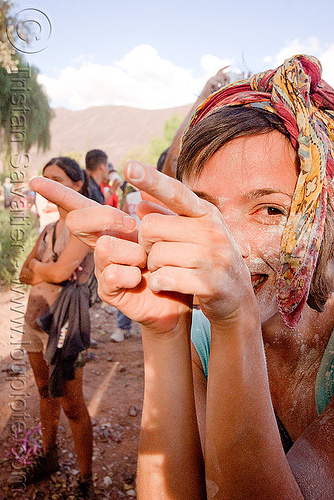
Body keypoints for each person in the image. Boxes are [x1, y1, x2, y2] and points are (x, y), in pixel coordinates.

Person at [30, 54, 334, 499]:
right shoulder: (205, 339)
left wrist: (236, 321)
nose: (227, 243)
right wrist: (165, 330)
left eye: (271, 209)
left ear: (322, 220)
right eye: (205, 209)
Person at [17, 157, 95, 499]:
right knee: (43, 390)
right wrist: (44, 268)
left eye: (57, 179)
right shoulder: (48, 230)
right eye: (44, 178)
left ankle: (85, 480)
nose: (47, 185)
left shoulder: (85, 228)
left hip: (65, 324)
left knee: (72, 404)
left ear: (77, 185)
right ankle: (49, 457)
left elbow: (61, 273)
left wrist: (41, 267)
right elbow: (23, 274)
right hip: (35, 322)